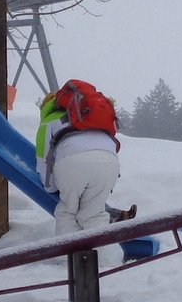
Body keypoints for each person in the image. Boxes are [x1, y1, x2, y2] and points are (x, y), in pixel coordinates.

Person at [36, 80, 122, 237]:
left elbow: (43, 158)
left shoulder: (50, 120)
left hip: (72, 163)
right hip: (109, 162)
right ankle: (103, 251)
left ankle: (70, 251)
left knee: (67, 213)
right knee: (95, 214)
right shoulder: (89, 115)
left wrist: (50, 186)